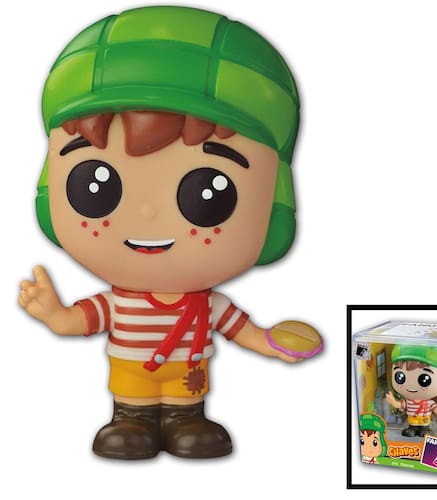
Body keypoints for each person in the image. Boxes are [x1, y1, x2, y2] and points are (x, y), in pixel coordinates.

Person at [18, 5, 321, 460]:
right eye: (94, 187)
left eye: (208, 194)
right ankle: (131, 418)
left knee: (189, 421)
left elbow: (243, 330)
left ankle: (185, 420)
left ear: (275, 201)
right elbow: (79, 322)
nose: (146, 213)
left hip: (187, 380)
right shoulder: (120, 302)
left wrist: (271, 341)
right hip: (130, 380)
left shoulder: (206, 305)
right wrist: (54, 314)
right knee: (130, 422)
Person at [385, 345, 437, 437]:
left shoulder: (429, 403)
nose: (411, 385)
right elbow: (400, 405)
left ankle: (425, 429)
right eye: (400, 377)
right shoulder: (408, 402)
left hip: (424, 420)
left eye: (424, 379)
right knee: (411, 429)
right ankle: (412, 429)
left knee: (424, 430)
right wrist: (393, 402)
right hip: (412, 421)